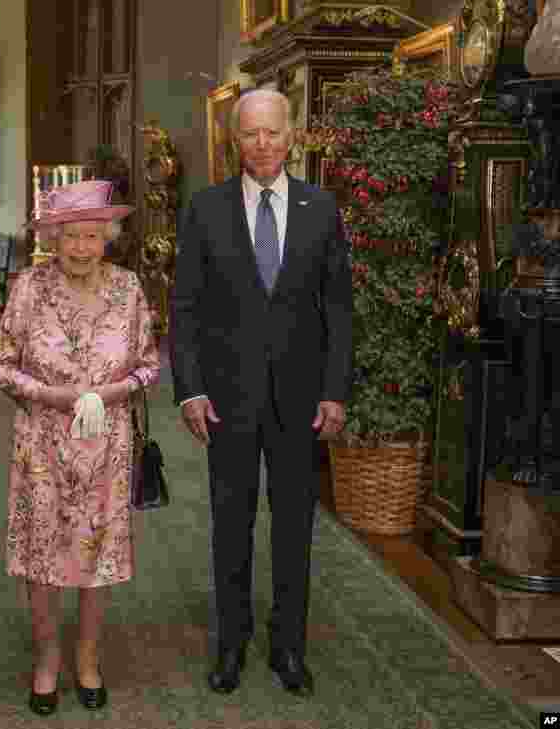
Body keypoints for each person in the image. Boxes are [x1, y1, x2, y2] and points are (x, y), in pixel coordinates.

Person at [169, 88, 352, 697]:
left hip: (302, 402)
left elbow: (338, 309)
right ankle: (231, 644)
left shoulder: (322, 208)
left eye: (274, 132)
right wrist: (190, 391)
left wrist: (335, 391)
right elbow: (185, 308)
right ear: (235, 140)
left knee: (295, 527)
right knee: (230, 525)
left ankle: (289, 647)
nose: (264, 144)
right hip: (227, 399)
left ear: (292, 135)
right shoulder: (204, 209)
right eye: (251, 134)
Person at [0, 180, 160, 716]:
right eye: (71, 237)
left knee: (97, 553)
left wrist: (111, 392)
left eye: (93, 236)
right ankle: (46, 658)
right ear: (53, 239)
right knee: (42, 556)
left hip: (107, 444)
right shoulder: (29, 288)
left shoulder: (129, 289)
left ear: (108, 236)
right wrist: (51, 394)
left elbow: (150, 364)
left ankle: (87, 657)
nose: (82, 248)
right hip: (42, 443)